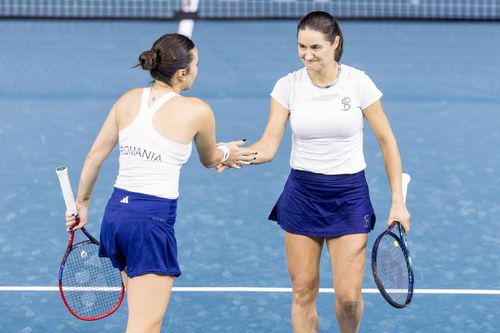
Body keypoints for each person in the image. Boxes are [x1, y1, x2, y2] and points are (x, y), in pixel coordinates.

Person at [219, 11, 411, 333]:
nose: (307, 55)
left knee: (348, 297)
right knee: (303, 291)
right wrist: (236, 155)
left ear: (335, 43)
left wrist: (397, 202)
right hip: (303, 194)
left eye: (315, 48)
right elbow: (268, 145)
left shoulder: (358, 83)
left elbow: (387, 140)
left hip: (349, 196)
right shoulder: (287, 86)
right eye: (301, 47)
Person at [64, 33, 255, 333]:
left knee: (142, 321)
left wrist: (82, 204)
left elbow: (93, 157)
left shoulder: (127, 99)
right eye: (197, 65)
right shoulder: (198, 110)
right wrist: (228, 151)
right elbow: (209, 158)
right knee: (143, 326)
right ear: (182, 72)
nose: (198, 70)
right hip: (150, 223)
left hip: (116, 218)